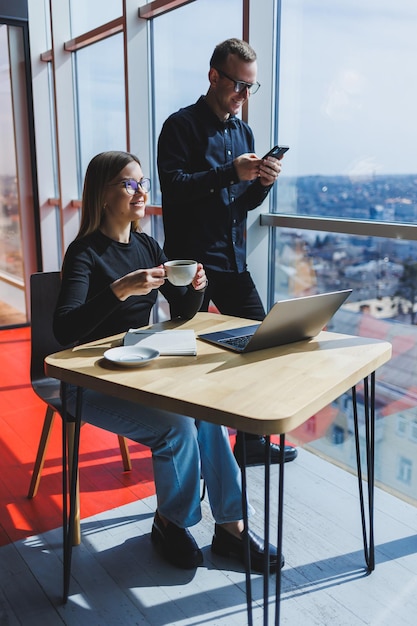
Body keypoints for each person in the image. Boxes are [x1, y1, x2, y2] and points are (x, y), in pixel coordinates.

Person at [53, 150, 283, 573]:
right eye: (128, 183)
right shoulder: (84, 253)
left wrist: (198, 286)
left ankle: (230, 528)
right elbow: (65, 331)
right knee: (177, 427)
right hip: (87, 380)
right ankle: (170, 524)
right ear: (102, 194)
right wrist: (119, 291)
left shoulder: (145, 244)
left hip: (139, 371)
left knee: (207, 415)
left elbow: (182, 312)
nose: (140, 191)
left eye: (142, 182)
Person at [157, 38, 297, 467]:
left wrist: (261, 184)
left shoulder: (243, 132)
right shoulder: (179, 125)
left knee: (264, 343)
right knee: (187, 359)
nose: (243, 95)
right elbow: (174, 190)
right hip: (190, 265)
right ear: (214, 76)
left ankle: (250, 443)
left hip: (233, 260)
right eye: (238, 84)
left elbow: (241, 205)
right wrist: (228, 172)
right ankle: (189, 452)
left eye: (250, 87)